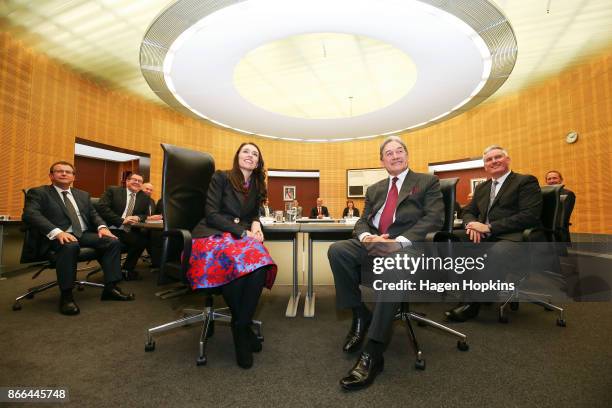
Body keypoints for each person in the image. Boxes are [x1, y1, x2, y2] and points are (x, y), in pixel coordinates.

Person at [327, 136, 444, 391]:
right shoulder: (375, 189)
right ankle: (360, 315)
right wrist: (367, 237)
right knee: (338, 251)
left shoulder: (427, 182)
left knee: (395, 265)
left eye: (399, 151)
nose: (394, 156)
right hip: (375, 244)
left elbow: (434, 219)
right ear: (382, 161)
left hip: (408, 247)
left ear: (407, 155)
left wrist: (398, 242)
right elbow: (362, 221)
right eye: (388, 153)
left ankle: (374, 350)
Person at [189, 142, 277, 369]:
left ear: (258, 162)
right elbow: (211, 214)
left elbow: (254, 211)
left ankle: (240, 324)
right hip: (212, 235)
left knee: (260, 260)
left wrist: (256, 224)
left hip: (239, 237)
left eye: (255, 153)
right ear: (237, 156)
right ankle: (243, 328)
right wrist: (242, 231)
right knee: (234, 259)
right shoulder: (222, 177)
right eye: (246, 151)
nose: (250, 156)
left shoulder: (257, 184)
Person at [21, 161, 135, 315]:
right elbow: (30, 214)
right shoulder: (38, 193)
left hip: (83, 233)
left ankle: (111, 288)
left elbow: (94, 215)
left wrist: (102, 227)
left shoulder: (82, 194)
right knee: (70, 245)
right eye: (59, 171)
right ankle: (66, 296)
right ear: (51, 176)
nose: (64, 174)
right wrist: (57, 232)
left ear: (73, 177)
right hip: (56, 236)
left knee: (113, 241)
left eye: (68, 172)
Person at [445, 145, 542, 322]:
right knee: (449, 240)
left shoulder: (525, 181)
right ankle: (472, 292)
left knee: (496, 252)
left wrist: (490, 227)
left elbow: (529, 216)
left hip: (513, 237)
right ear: (485, 166)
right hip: (484, 234)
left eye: (498, 157)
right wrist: (471, 225)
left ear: (507, 160)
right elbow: (468, 211)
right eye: (489, 160)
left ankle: (472, 303)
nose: (493, 161)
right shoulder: (482, 187)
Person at [95, 173, 150, 280]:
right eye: (134, 180)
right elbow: (102, 208)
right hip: (110, 228)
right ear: (127, 181)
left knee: (142, 240)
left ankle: (127, 269)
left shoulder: (144, 197)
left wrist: (138, 218)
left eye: (140, 181)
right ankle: (113, 271)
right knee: (116, 244)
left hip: (128, 230)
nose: (137, 183)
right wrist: (121, 221)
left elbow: (145, 214)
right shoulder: (113, 191)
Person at [545, 170, 575, 243]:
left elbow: (563, 214)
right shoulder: (544, 194)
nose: (552, 181)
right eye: (549, 179)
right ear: (546, 181)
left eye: (555, 178)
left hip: (558, 229)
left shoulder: (567, 193)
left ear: (561, 180)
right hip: (544, 228)